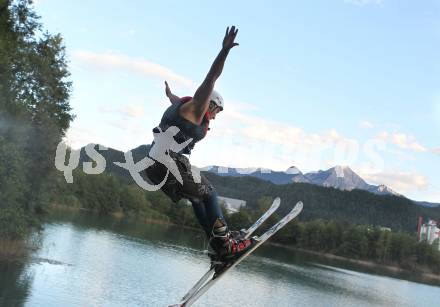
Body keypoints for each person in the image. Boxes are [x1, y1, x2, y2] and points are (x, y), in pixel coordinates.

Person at [145, 26, 255, 261]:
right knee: (211, 194)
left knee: (197, 197)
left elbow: (175, 99)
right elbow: (211, 77)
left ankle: (217, 243)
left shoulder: (181, 107)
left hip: (154, 165)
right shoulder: (196, 108)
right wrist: (224, 51)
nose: (214, 117)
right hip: (168, 163)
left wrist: (169, 95)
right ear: (210, 104)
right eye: (216, 111)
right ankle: (225, 244)